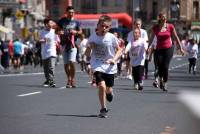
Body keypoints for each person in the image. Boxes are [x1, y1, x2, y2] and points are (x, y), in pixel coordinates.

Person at [85, 15, 122, 118]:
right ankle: (103, 108)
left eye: (107, 27)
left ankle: (110, 93)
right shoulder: (92, 37)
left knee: (108, 89)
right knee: (101, 85)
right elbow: (87, 54)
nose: (104, 28)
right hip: (97, 64)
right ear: (98, 26)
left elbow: (119, 50)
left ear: (109, 28)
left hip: (109, 66)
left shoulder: (111, 37)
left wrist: (114, 60)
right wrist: (90, 47)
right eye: (102, 26)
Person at [149, 12, 184, 91]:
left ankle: (165, 83)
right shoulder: (155, 28)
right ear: (159, 18)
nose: (164, 19)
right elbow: (151, 38)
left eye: (165, 17)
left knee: (165, 66)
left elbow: (176, 37)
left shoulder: (170, 27)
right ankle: (160, 78)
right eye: (163, 17)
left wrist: (180, 48)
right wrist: (148, 47)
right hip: (159, 49)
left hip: (169, 48)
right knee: (160, 66)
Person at [57, 6, 82, 88]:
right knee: (66, 64)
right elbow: (57, 30)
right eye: (69, 12)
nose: (71, 14)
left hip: (72, 44)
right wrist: (59, 32)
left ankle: (73, 79)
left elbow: (81, 32)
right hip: (64, 44)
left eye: (72, 12)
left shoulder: (77, 22)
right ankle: (69, 79)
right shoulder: (61, 21)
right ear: (66, 12)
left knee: (72, 61)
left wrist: (76, 32)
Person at [39, 18, 57, 87]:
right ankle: (48, 80)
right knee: (46, 68)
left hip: (52, 51)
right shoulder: (42, 32)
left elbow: (57, 39)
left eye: (52, 23)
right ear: (46, 24)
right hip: (44, 52)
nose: (52, 24)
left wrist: (57, 42)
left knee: (51, 67)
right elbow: (39, 40)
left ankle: (51, 80)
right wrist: (44, 40)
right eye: (50, 23)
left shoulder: (54, 31)